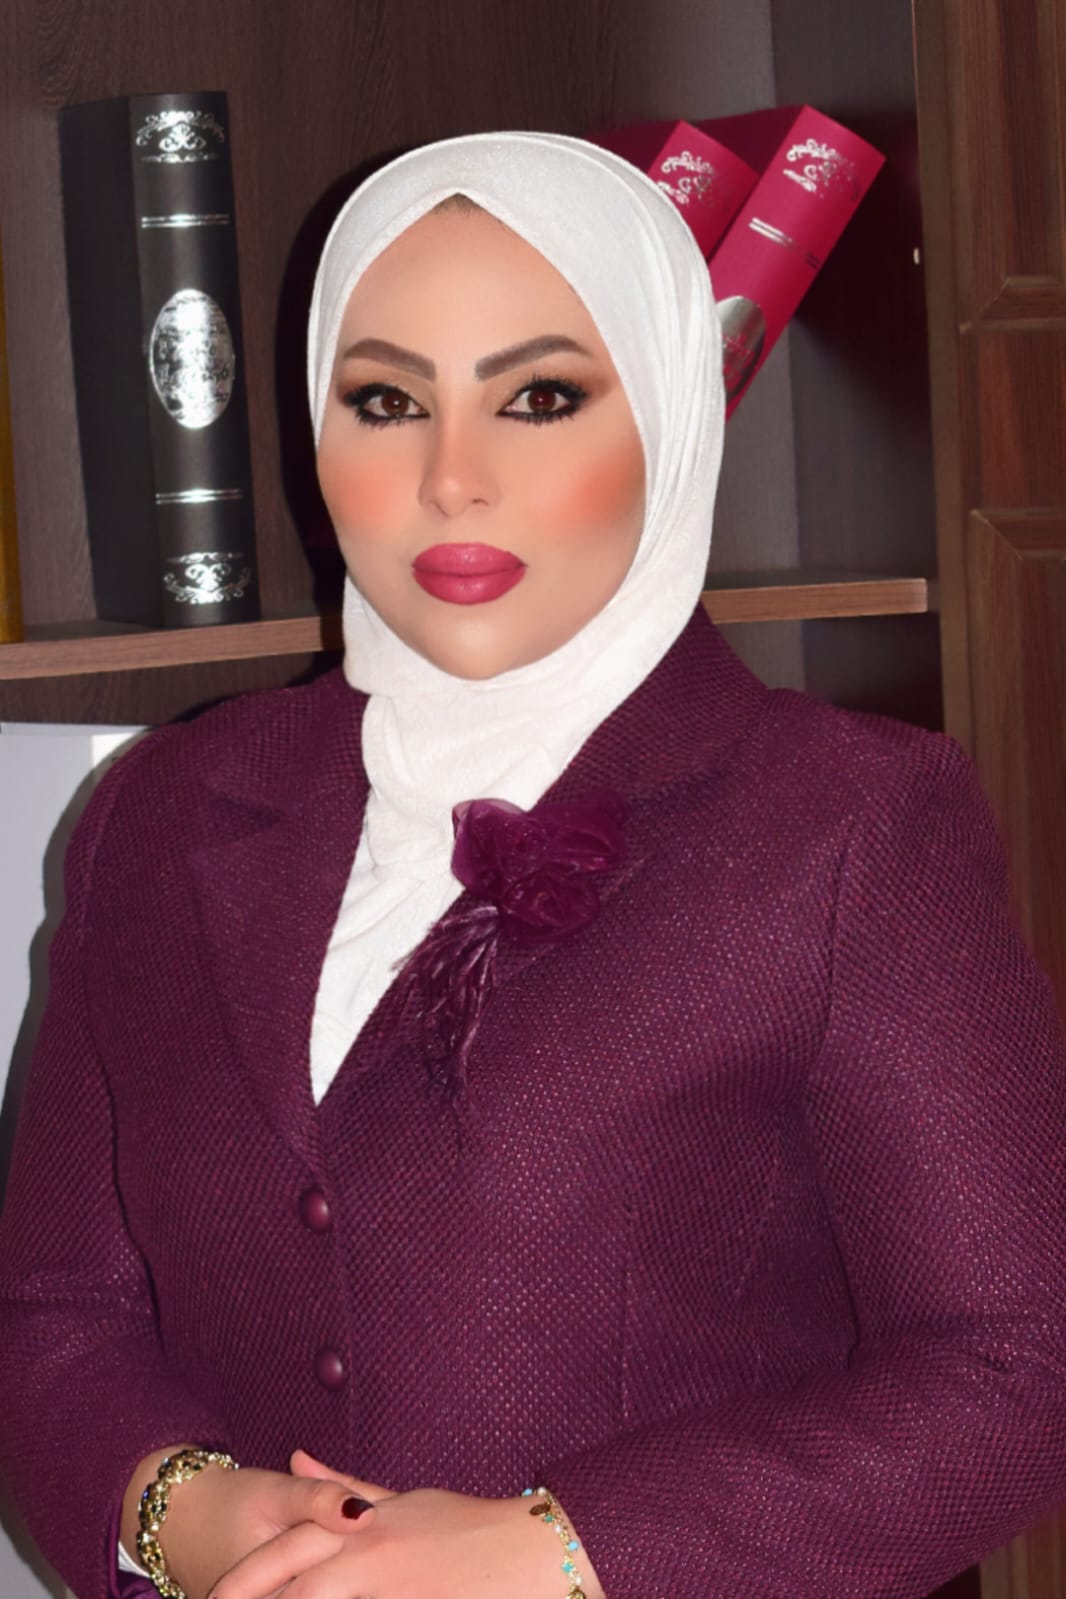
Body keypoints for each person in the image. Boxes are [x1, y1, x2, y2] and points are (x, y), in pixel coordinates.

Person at [1, 127, 1065, 1599]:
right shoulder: (163, 815)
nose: (451, 480)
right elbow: (50, 1315)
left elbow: (1016, 1368)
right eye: (385, 402)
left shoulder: (849, 826)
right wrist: (190, 1517)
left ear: (669, 417)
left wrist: (559, 1552)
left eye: (540, 398)